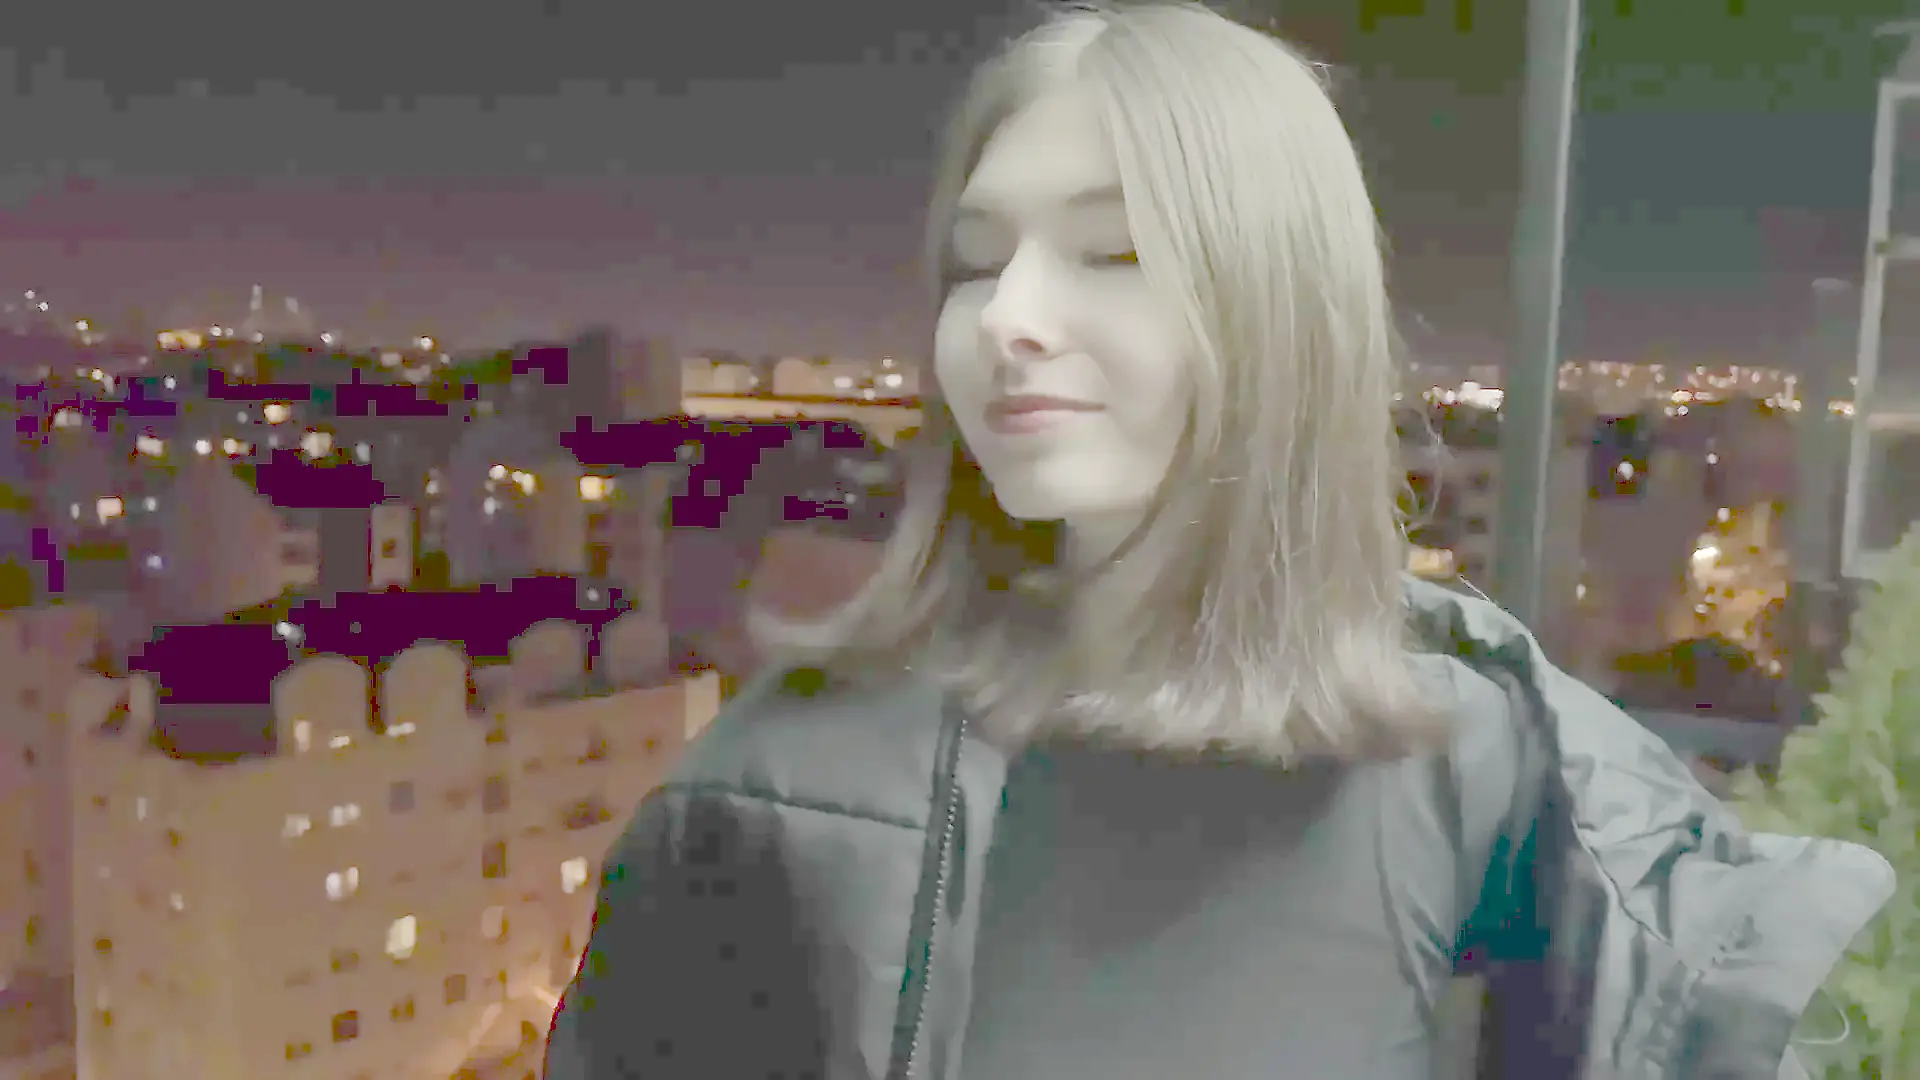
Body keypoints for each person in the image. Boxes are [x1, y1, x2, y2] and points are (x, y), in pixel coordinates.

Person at [544, 3, 1892, 1077]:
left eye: (1112, 254)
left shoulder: (1490, 779)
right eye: (976, 260)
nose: (1008, 316)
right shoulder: (775, 794)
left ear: (1278, 313)